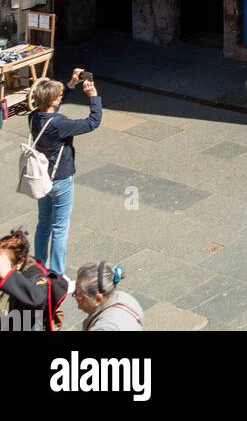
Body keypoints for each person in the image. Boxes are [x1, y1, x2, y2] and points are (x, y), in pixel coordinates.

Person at [27, 71, 102, 276]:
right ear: (52, 100)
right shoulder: (60, 124)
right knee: (60, 228)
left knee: (44, 222)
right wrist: (93, 97)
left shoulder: (34, 117)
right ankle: (56, 273)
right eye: (59, 95)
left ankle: (39, 265)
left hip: (41, 178)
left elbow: (51, 106)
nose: (61, 97)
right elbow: (92, 122)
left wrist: (70, 84)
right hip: (60, 180)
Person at [0, 227, 67, 331]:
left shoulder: (37, 278)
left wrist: (6, 273)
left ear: (19, 263)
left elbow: (37, 299)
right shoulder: (19, 267)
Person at [74, 262, 144, 332]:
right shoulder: (125, 298)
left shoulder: (105, 327)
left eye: (78, 294)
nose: (73, 295)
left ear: (98, 299)